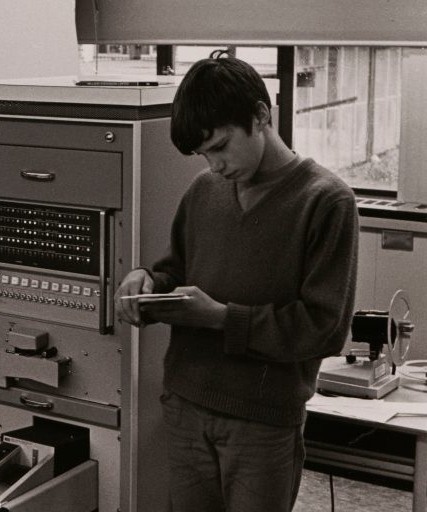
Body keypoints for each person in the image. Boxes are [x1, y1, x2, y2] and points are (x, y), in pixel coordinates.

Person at [114, 55, 359, 512]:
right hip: (186, 406)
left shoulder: (326, 201)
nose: (215, 164)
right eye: (204, 153)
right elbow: (177, 273)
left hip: (262, 422)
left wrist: (222, 319)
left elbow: (324, 328)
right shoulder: (204, 192)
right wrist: (145, 280)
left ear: (261, 116)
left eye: (221, 146)